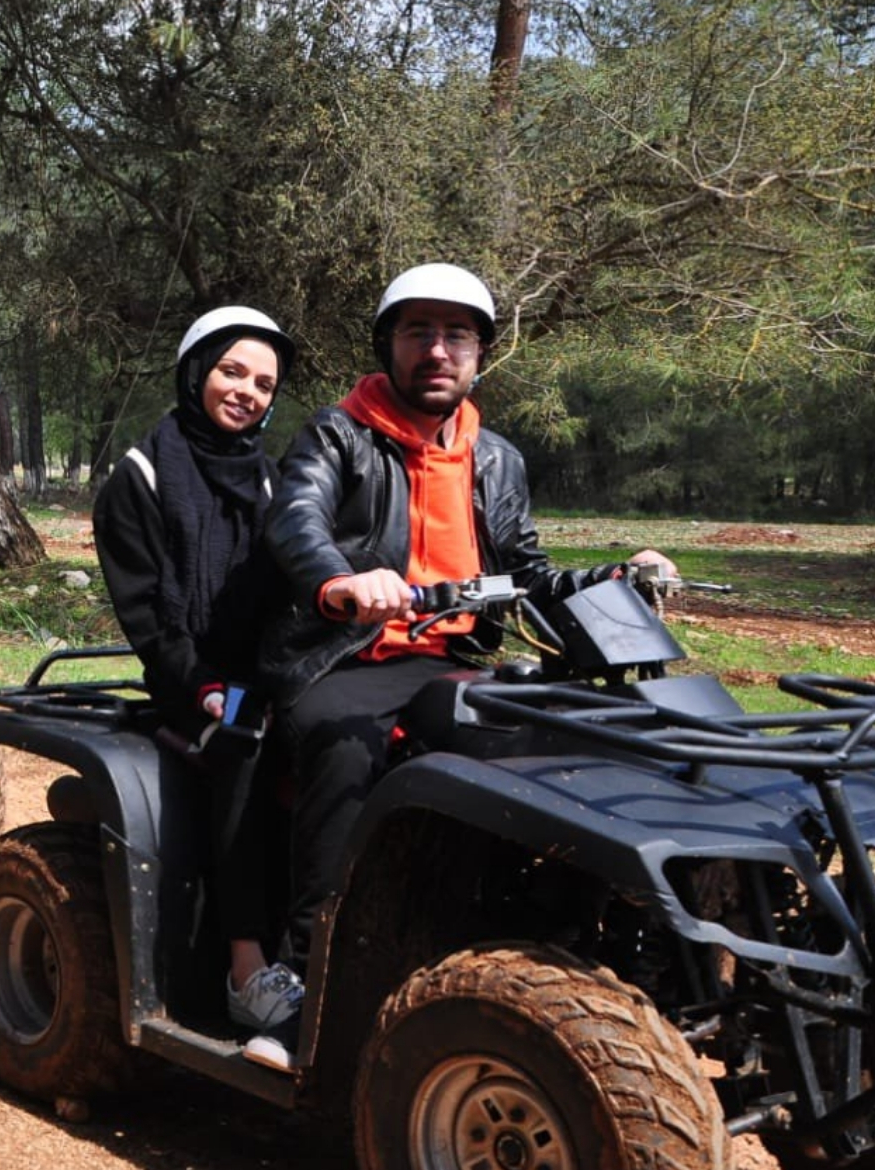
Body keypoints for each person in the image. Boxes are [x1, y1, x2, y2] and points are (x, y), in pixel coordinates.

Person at [258, 262, 675, 1068]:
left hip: (454, 658)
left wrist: (616, 576)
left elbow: (529, 572)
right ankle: (301, 983)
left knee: (571, 740)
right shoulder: (337, 432)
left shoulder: (496, 458)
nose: (437, 350)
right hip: (343, 656)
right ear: (389, 345)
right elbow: (296, 520)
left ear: (480, 352)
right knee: (345, 748)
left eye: (456, 334)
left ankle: (572, 949)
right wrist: (342, 583)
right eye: (419, 332)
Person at [93, 305, 300, 1055]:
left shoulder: (274, 481)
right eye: (232, 371)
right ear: (196, 371)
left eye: (265, 383)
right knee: (243, 738)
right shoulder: (141, 475)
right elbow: (147, 615)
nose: (248, 391)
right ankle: (247, 967)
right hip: (192, 682)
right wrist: (205, 683)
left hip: (270, 670)